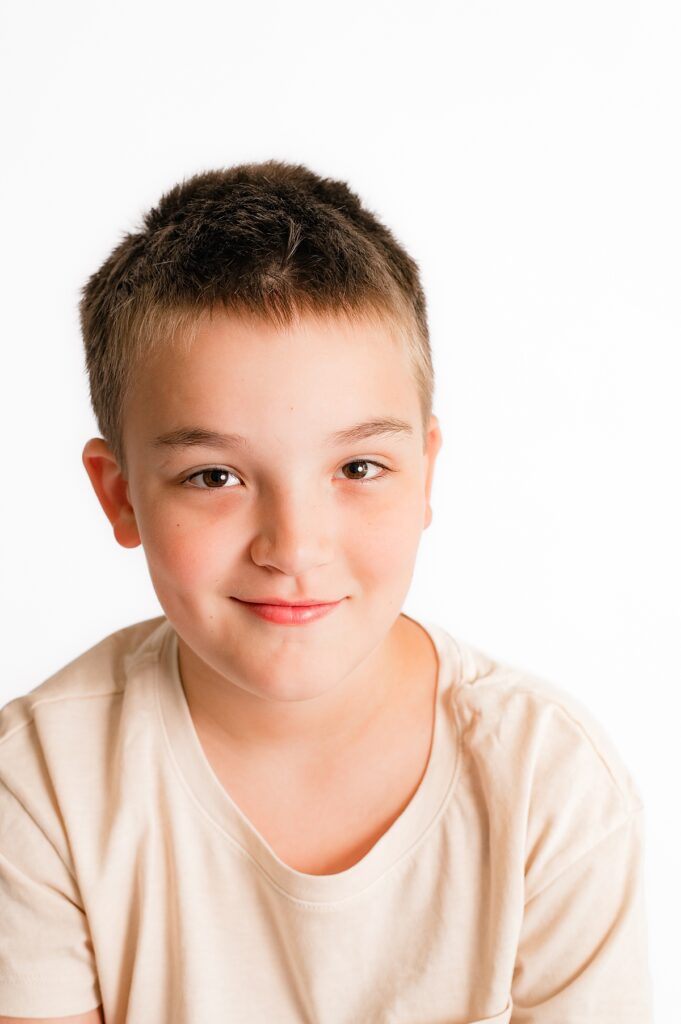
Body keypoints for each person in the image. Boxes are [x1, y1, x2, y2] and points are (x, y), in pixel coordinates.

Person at [0, 160, 653, 1023]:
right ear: (121, 495)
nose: (295, 547)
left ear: (424, 475)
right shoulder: (40, 784)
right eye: (215, 476)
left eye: (357, 467)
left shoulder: (550, 787)